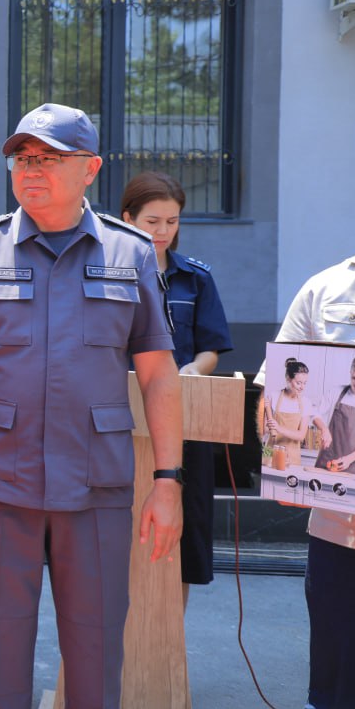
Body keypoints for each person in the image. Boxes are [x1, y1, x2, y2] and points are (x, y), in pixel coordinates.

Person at [0, 103, 183, 709]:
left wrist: (168, 481)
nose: (31, 170)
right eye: (22, 158)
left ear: (90, 168)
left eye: (48, 158)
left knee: (96, 659)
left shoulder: (131, 253)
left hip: (95, 487)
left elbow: (158, 374)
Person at [255, 250, 355, 709]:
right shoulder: (327, 289)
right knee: (338, 689)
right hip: (342, 527)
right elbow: (272, 393)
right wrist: (286, 475)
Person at [120, 170, 233, 604]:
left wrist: (192, 370)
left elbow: (211, 349)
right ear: (128, 219)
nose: (163, 231)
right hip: (120, 419)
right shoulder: (107, 277)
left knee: (182, 541)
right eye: (153, 221)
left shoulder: (196, 278)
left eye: (172, 221)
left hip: (184, 420)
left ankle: (170, 635)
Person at [262, 358, 320, 466]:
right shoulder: (273, 397)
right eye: (298, 383)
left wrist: (279, 428)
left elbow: (301, 435)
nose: (302, 387)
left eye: (305, 383)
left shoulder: (306, 403)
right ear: (288, 379)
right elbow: (264, 429)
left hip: (292, 456)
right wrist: (269, 427)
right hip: (269, 453)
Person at [313, 354, 355, 474]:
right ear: (350, 373)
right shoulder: (336, 392)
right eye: (354, 378)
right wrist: (324, 429)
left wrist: (348, 459)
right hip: (327, 459)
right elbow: (314, 412)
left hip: (353, 465)